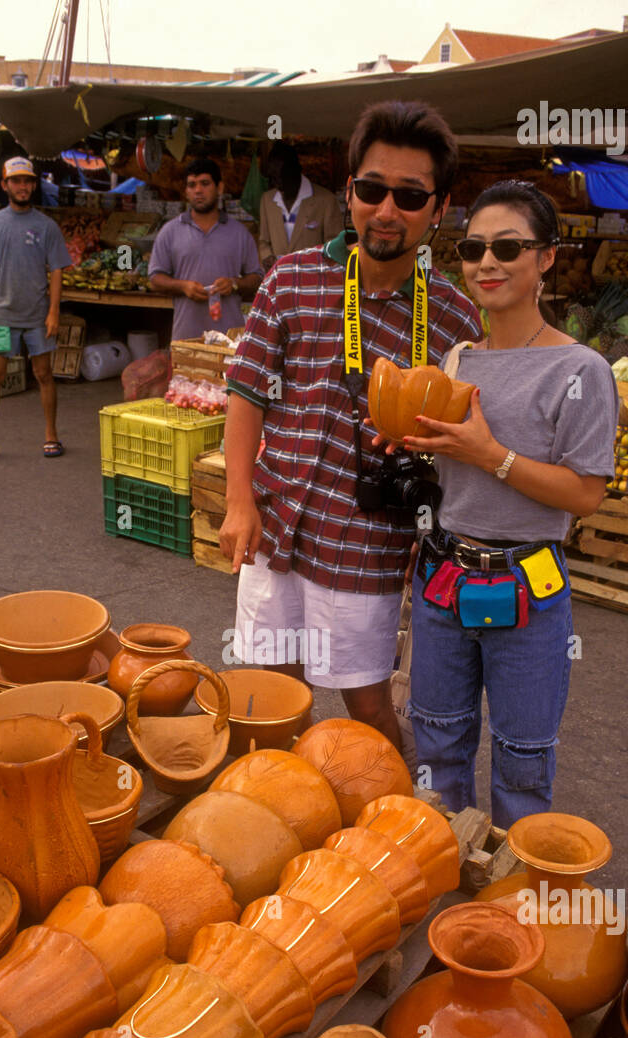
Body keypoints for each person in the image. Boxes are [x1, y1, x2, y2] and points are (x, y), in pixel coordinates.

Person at [219, 101, 481, 749]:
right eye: (372, 190)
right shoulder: (292, 280)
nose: (386, 211)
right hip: (276, 524)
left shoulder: (453, 319)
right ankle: (281, 814)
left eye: (410, 196)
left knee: (366, 706)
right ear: (350, 192)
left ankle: (394, 819)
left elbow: (465, 447)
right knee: (272, 695)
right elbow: (246, 393)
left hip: (368, 540)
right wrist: (236, 501)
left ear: (439, 208)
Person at [401, 180, 617, 825]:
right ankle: (445, 874)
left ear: (545, 257)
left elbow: (586, 495)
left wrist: (487, 453)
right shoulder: (458, 358)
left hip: (529, 584)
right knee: (437, 747)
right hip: (441, 578)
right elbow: (453, 468)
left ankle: (513, 903)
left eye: (507, 247)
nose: (486, 263)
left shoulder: (581, 371)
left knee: (523, 759)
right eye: (472, 248)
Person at [0, 156, 73, 465]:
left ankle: (51, 434)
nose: (23, 186)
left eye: (28, 181)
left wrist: (54, 311)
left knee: (43, 373)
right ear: (5, 185)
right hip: (1, 315)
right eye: (16, 181)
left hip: (37, 317)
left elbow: (56, 271)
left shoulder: (46, 226)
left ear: (34, 185)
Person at [148, 157, 263, 341]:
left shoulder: (240, 233)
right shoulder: (170, 231)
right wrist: (183, 286)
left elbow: (257, 278)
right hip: (186, 338)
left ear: (220, 188)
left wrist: (234, 284)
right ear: (186, 191)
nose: (198, 190)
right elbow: (155, 279)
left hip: (229, 340)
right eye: (192, 185)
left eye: (205, 183)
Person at [257, 142, 342, 271]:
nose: (278, 185)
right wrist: (267, 257)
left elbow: (335, 246)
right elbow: (263, 241)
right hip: (279, 279)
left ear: (296, 171)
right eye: (273, 179)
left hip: (313, 281)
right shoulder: (267, 200)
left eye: (282, 178)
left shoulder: (326, 200)